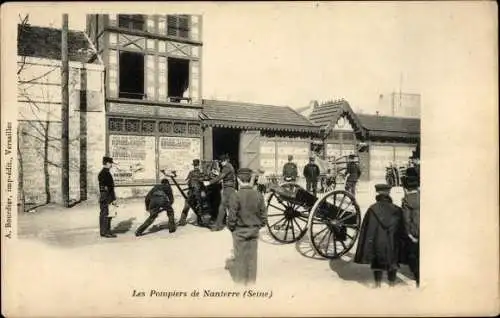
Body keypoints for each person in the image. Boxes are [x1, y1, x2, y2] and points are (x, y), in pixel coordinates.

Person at [354, 184, 405, 288]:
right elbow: (402, 230)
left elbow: (367, 230)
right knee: (393, 263)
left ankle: (377, 285)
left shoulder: (372, 209)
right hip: (392, 243)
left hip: (377, 243)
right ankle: (392, 284)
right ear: (389, 193)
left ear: (377, 193)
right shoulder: (397, 210)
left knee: (377, 263)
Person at [226, 168, 268, 285]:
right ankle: (251, 284)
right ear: (251, 180)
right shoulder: (258, 195)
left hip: (239, 232)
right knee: (252, 259)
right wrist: (257, 226)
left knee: (240, 259)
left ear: (238, 180)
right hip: (254, 231)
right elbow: (264, 217)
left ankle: (240, 283)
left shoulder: (235, 196)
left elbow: (231, 217)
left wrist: (233, 228)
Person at [203, 154, 236, 231]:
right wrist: (217, 173)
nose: (221, 163)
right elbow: (224, 176)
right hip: (230, 188)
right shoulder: (229, 166)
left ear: (225, 160)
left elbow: (220, 177)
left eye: (221, 161)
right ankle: (232, 225)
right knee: (230, 207)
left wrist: (209, 182)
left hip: (228, 189)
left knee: (222, 207)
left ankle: (218, 226)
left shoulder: (227, 167)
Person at [401, 167, 420, 287]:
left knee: (413, 254)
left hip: (414, 232)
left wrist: (408, 234)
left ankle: (417, 275)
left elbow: (406, 219)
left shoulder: (407, 200)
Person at [178, 159, 204, 226]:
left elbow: (187, 181)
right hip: (197, 192)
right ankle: (200, 221)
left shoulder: (191, 173)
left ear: (194, 165)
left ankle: (182, 221)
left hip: (191, 192)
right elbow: (202, 183)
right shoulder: (201, 173)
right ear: (198, 165)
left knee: (187, 205)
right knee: (198, 206)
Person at [98, 156, 117, 238]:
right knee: (107, 213)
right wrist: (113, 198)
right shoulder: (104, 173)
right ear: (106, 163)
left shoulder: (104, 173)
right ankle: (106, 232)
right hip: (107, 196)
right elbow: (108, 187)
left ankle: (104, 231)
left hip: (104, 195)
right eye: (110, 163)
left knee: (105, 213)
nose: (111, 165)